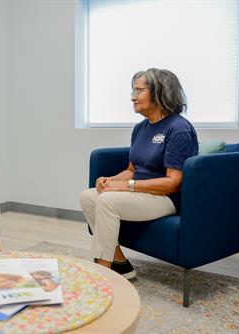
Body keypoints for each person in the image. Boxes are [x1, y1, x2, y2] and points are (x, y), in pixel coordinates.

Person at [79, 68, 198, 279]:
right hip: (141, 194)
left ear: (160, 92)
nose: (133, 97)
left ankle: (102, 277)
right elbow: (133, 170)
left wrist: (126, 186)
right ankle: (120, 265)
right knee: (88, 197)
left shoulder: (178, 128)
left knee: (108, 201)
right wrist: (111, 180)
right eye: (133, 91)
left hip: (166, 198)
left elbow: (173, 183)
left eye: (139, 91)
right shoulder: (140, 128)